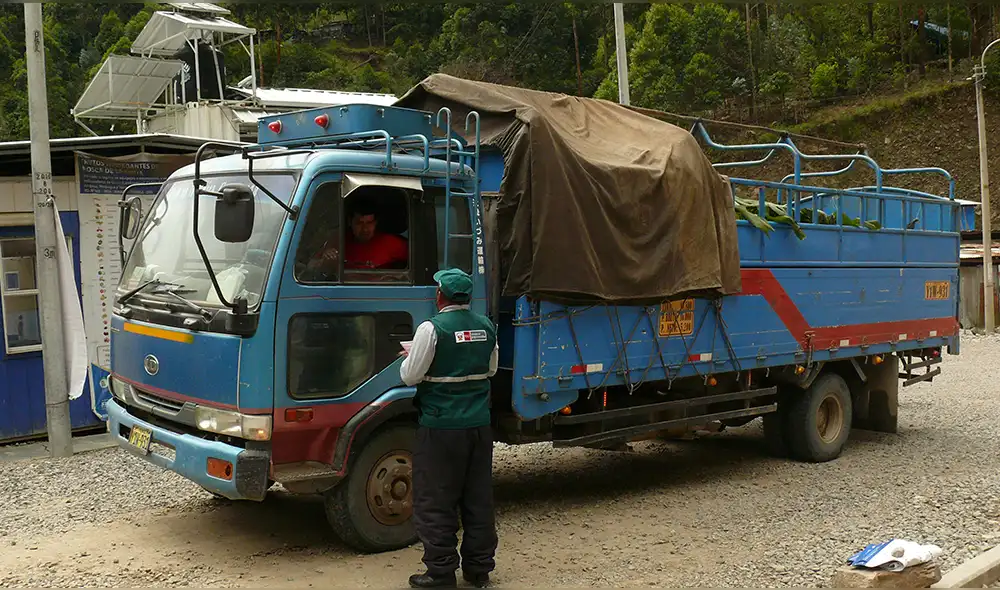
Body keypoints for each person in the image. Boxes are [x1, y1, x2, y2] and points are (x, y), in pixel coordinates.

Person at [399, 268, 499, 589]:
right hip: (479, 427)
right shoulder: (486, 327)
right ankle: (479, 570)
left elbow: (410, 376)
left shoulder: (432, 328)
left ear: (439, 295)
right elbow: (491, 368)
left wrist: (412, 354)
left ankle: (441, 572)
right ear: (467, 297)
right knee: (477, 498)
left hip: (441, 427)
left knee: (435, 499)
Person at [301, 199, 408, 277]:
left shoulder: (393, 243)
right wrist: (325, 261)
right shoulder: (338, 240)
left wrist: (397, 277)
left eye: (369, 223)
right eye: (359, 223)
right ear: (350, 222)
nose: (365, 229)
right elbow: (310, 267)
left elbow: (421, 265)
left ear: (376, 223)